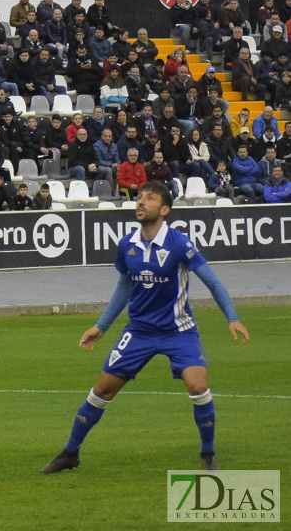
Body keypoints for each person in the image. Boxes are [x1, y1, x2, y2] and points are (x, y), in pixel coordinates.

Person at [41, 181, 249, 474]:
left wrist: (232, 317)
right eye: (139, 197)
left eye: (149, 199)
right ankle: (70, 453)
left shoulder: (179, 244)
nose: (140, 202)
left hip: (179, 330)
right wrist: (100, 327)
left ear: (164, 210)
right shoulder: (127, 245)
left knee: (198, 386)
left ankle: (208, 454)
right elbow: (124, 287)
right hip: (138, 332)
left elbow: (213, 282)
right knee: (101, 391)